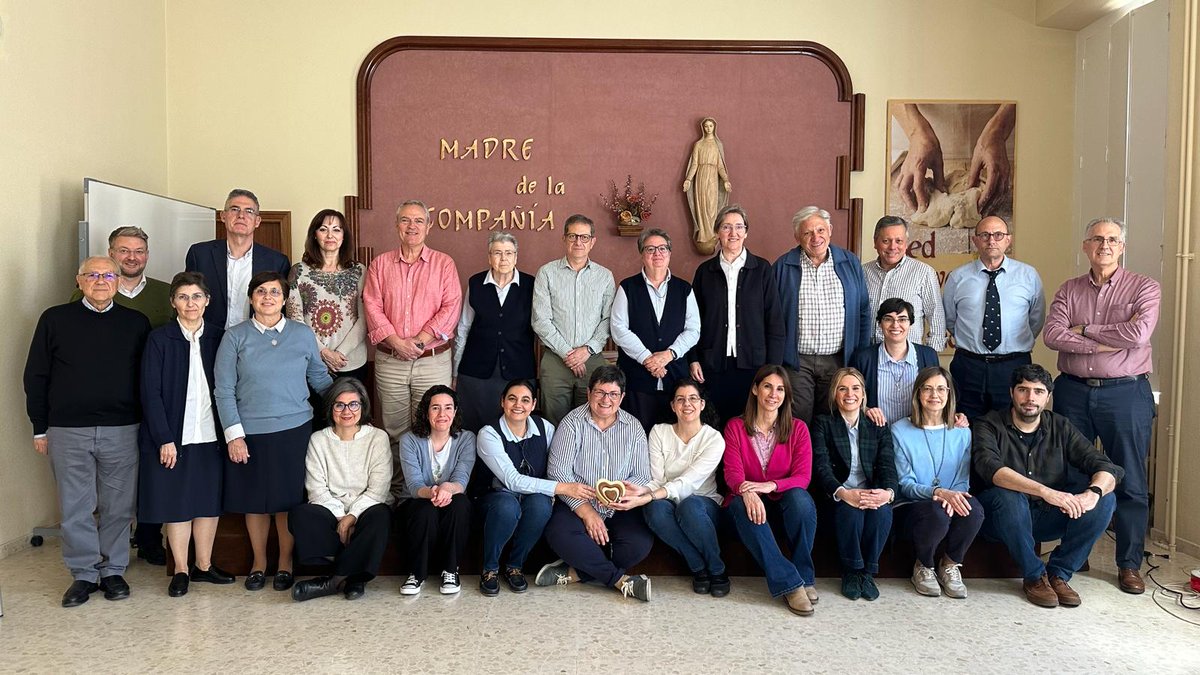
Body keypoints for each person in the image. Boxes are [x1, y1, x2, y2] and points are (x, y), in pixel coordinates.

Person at [23, 256, 151, 607]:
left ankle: (112, 571)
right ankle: (83, 574)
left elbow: (146, 380)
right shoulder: (55, 319)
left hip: (123, 428)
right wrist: (39, 427)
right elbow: (36, 375)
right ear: (79, 281)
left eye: (107, 274)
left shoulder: (135, 323)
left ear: (117, 281)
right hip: (67, 429)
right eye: (92, 274)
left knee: (119, 506)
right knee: (76, 506)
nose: (100, 280)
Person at [1043, 217, 1161, 595]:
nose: (1104, 245)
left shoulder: (1145, 287)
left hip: (1125, 394)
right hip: (1073, 390)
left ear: (1122, 247)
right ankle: (1075, 554)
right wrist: (1110, 340)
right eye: (1097, 239)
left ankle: (1129, 564)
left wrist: (1086, 331)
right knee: (1072, 475)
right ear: (1085, 246)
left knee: (1129, 479)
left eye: (1112, 240)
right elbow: (1052, 335)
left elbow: (1139, 334)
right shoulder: (1069, 290)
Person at [215, 271, 333, 592]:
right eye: (261, 292)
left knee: (287, 501)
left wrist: (347, 402)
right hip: (249, 434)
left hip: (295, 430)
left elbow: (319, 378)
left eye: (275, 292)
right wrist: (234, 435)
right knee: (255, 502)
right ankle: (258, 563)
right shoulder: (234, 337)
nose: (268, 297)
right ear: (252, 298)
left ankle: (284, 563)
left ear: (284, 299)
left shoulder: (303, 334)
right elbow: (223, 390)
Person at [972, 364, 1123, 608]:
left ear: (1048, 397)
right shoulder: (987, 424)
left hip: (1047, 517)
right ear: (1012, 392)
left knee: (1107, 499)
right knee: (1007, 496)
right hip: (1000, 519)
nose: (1030, 398)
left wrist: (1092, 494)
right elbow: (991, 469)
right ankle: (1034, 576)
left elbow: (1106, 466)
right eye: (1023, 390)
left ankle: (1059, 574)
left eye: (1039, 392)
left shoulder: (1060, 426)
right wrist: (1045, 491)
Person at [71, 226, 172, 565]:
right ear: (111, 253)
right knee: (108, 484)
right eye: (124, 250)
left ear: (147, 255)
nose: (132, 257)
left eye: (139, 251)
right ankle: (99, 553)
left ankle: (148, 538)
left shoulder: (165, 293)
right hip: (108, 406)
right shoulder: (89, 293)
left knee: (153, 470)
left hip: (154, 399)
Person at [138, 271, 235, 597]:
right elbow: (150, 392)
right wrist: (165, 438)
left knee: (208, 501)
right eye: (183, 297)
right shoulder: (160, 339)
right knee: (177, 502)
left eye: (196, 297)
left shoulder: (220, 337)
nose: (190, 303)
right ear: (173, 302)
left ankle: (204, 566)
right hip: (174, 437)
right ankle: (180, 568)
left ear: (207, 301)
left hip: (211, 434)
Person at [364, 200, 462, 494]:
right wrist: (396, 341)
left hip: (432, 360)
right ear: (397, 226)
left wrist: (418, 340)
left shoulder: (444, 264)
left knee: (432, 428)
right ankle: (399, 492)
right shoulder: (380, 264)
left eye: (419, 221)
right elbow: (372, 305)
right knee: (394, 430)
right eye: (406, 220)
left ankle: (429, 492)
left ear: (429, 226)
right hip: (391, 361)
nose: (412, 227)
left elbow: (451, 306)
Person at [537, 365, 653, 602]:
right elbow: (558, 472)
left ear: (621, 397)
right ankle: (622, 582)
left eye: (612, 394)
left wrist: (622, 495)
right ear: (589, 392)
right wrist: (587, 511)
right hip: (579, 501)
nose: (605, 400)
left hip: (619, 505)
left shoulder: (634, 428)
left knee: (639, 543)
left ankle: (576, 573)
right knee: (558, 533)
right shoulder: (572, 423)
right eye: (600, 392)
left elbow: (642, 475)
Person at [474, 379, 595, 596]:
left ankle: (515, 566)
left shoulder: (546, 428)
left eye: (525, 400)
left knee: (541, 505)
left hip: (534, 496)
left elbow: (557, 465)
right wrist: (562, 488)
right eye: (512, 398)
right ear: (502, 402)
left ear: (533, 404)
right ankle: (490, 569)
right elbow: (512, 480)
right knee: (506, 506)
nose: (518, 405)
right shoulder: (488, 434)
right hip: (497, 495)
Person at [723, 365, 818, 616]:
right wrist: (747, 491)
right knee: (740, 504)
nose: (773, 394)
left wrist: (771, 485)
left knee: (802, 500)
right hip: (747, 502)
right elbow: (733, 473)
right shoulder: (735, 426)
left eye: (780, 389)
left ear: (786, 395)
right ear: (755, 389)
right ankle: (790, 583)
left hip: (783, 501)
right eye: (767, 386)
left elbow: (803, 477)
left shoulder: (798, 429)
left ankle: (804, 576)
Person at [289, 378, 392, 602]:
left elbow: (379, 489)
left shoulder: (377, 438)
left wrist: (353, 516)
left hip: (367, 508)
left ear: (363, 407)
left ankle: (335, 580)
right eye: (340, 405)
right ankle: (354, 577)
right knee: (301, 514)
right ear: (331, 408)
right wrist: (341, 517)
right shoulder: (318, 439)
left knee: (381, 515)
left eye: (354, 404)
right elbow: (316, 489)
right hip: (331, 509)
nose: (347, 411)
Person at [627, 379, 728, 596]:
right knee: (653, 508)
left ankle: (717, 568)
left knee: (689, 505)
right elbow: (656, 478)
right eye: (680, 399)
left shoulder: (714, 438)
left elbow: (689, 482)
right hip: (668, 501)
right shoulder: (659, 432)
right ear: (673, 406)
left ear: (702, 404)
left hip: (703, 504)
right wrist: (640, 492)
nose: (686, 404)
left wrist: (653, 494)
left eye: (693, 398)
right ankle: (698, 566)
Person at [891, 367, 983, 599]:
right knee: (937, 513)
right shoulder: (900, 429)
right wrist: (938, 492)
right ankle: (923, 565)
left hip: (948, 498)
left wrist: (954, 497)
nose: (935, 395)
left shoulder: (962, 432)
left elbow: (962, 479)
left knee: (975, 511)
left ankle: (950, 564)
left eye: (941, 388)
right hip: (913, 503)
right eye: (928, 389)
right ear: (918, 394)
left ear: (949, 393)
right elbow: (905, 483)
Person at [774, 206, 872, 425]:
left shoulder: (849, 263)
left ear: (830, 230)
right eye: (808, 232)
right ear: (797, 236)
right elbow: (772, 317)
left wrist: (859, 353)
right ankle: (801, 461)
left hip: (838, 359)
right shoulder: (783, 266)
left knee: (833, 419)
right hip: (798, 362)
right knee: (798, 420)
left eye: (820, 230)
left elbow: (863, 311)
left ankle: (828, 461)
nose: (815, 237)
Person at [942, 216, 1045, 420]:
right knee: (966, 424)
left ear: (1008, 240)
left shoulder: (1028, 275)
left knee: (1012, 426)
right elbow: (950, 319)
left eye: (998, 235)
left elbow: (1036, 319)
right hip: (969, 365)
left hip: (1013, 365)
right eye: (985, 235)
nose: (992, 240)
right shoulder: (958, 277)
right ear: (975, 240)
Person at [689, 205, 784, 423]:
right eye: (726, 227)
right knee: (715, 423)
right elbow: (693, 321)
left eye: (739, 227)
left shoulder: (762, 269)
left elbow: (775, 321)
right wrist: (693, 359)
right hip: (712, 364)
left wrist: (773, 369)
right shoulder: (705, 272)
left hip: (754, 366)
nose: (733, 233)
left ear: (746, 232)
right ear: (717, 232)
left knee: (750, 424)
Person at [810, 368, 897, 601]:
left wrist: (887, 493)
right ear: (834, 394)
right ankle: (851, 571)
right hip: (839, 493)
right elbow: (821, 466)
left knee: (882, 513)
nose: (850, 394)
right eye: (843, 388)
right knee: (851, 513)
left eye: (855, 388)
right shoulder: (823, 423)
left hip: (870, 491)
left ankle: (867, 573)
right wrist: (842, 492)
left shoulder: (877, 424)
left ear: (863, 393)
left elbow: (887, 464)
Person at [286, 209, 367, 429]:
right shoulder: (299, 271)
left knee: (350, 425)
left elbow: (365, 318)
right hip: (311, 361)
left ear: (344, 236)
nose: (330, 235)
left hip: (351, 361)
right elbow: (295, 318)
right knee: (316, 424)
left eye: (336, 229)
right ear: (314, 235)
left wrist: (340, 354)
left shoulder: (359, 271)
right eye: (323, 229)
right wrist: (323, 352)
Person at [611, 228, 700, 429]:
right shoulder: (628, 287)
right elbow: (618, 328)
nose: (657, 254)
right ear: (642, 254)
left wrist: (669, 355)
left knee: (673, 436)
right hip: (637, 379)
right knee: (637, 434)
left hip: (675, 378)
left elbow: (693, 329)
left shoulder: (684, 289)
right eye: (650, 249)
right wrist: (647, 359)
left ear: (669, 253)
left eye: (662, 248)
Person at [532, 214, 616, 424]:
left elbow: (608, 320)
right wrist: (568, 354)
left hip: (593, 360)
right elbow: (540, 320)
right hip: (555, 360)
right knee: (553, 423)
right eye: (573, 236)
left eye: (584, 237)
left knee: (591, 421)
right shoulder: (547, 273)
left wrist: (586, 350)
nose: (578, 242)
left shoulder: (604, 276)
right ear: (564, 239)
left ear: (592, 241)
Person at [396, 385, 476, 596]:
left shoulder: (467, 439)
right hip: (418, 499)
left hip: (452, 497)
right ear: (426, 411)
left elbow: (461, 479)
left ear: (455, 411)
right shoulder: (409, 440)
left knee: (461, 504)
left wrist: (446, 489)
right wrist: (433, 493)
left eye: (448, 408)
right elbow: (414, 485)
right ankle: (416, 573)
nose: (442, 414)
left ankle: (451, 570)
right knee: (425, 510)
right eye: (436, 408)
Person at [453, 232, 536, 432]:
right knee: (472, 427)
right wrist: (455, 371)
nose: (503, 258)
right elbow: (463, 328)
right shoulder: (475, 283)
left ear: (516, 256)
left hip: (518, 370)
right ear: (489, 256)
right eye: (497, 253)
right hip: (476, 374)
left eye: (509, 253)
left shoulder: (531, 284)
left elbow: (540, 326)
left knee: (511, 428)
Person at [185, 188, 291, 330]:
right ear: (223, 216)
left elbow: (281, 310)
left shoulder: (277, 262)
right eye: (234, 209)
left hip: (257, 342)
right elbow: (186, 298)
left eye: (249, 211)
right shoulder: (199, 254)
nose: (241, 215)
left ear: (257, 221)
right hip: (208, 340)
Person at [893, 102, 1016, 214]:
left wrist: (999, 129)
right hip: (925, 131)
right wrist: (915, 132)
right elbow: (890, 80)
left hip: (1007, 143)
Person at [861, 216, 946, 350]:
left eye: (899, 241)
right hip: (869, 356)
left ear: (906, 244)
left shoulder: (923, 272)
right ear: (875, 242)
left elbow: (936, 317)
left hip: (909, 359)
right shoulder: (862, 272)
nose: (892, 247)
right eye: (886, 241)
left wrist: (930, 358)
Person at [852, 297, 939, 425]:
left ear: (910, 323)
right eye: (888, 319)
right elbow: (852, 399)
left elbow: (940, 396)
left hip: (916, 434)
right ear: (880, 323)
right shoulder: (863, 359)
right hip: (877, 435)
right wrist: (866, 410)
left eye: (902, 319)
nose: (895, 325)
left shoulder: (928, 356)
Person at [681, 116, 732, 254]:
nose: (708, 128)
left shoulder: (717, 145)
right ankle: (703, 233)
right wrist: (688, 179)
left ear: (714, 127)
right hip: (701, 179)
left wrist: (726, 180)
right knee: (702, 207)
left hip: (713, 178)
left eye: (711, 126)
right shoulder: (698, 144)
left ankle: (712, 233)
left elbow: (721, 166)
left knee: (712, 206)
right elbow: (694, 164)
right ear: (702, 128)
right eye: (706, 126)